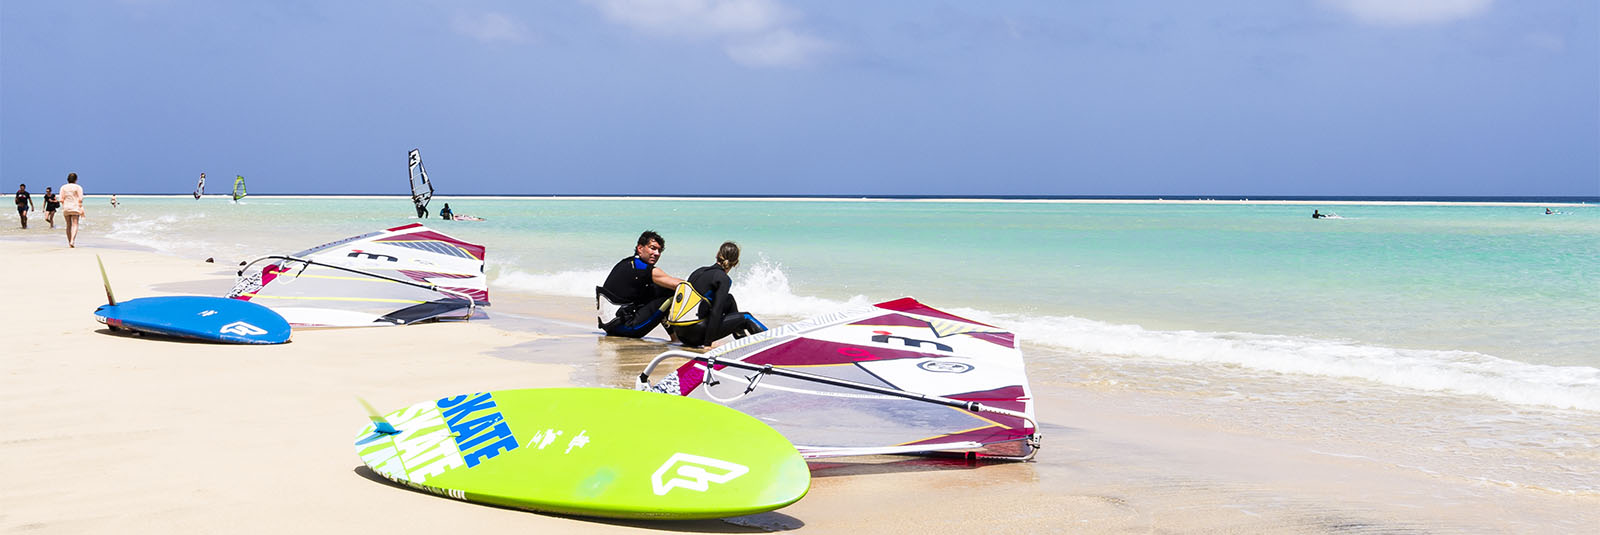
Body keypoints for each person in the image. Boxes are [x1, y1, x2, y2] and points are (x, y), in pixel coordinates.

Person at [671, 241, 767, 348]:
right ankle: (773, 343)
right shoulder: (722, 278)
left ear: (717, 255)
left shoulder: (699, 271)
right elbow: (716, 311)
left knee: (729, 299)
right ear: (735, 262)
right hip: (695, 335)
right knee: (746, 317)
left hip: (681, 333)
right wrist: (708, 343)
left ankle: (741, 339)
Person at [596, 230, 683, 338]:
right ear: (640, 248)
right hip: (626, 328)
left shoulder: (627, 263)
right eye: (653, 248)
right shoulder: (643, 269)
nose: (657, 254)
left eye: (659, 250)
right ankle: (677, 337)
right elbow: (681, 285)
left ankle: (674, 337)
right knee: (671, 292)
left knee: (657, 291)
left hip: (610, 326)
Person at [59, 173, 85, 248]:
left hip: (66, 208)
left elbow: (61, 199)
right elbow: (80, 199)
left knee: (68, 225)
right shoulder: (78, 187)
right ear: (76, 179)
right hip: (75, 207)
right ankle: (72, 241)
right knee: (75, 224)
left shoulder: (63, 187)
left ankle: (69, 241)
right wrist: (81, 207)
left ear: (68, 179)